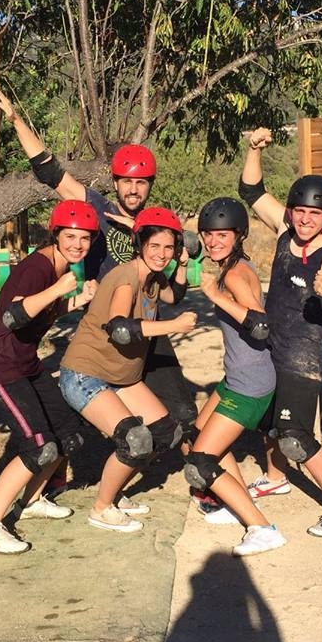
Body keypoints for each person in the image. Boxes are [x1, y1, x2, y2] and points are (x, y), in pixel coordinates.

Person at [0, 84, 198, 448]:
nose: (133, 189)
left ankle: (199, 473)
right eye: (127, 181)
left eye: (141, 183)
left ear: (150, 186)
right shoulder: (98, 208)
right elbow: (50, 172)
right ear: (115, 182)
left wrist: (141, 229)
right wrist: (17, 121)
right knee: (107, 423)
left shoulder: (154, 224)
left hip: (146, 324)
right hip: (107, 329)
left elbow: (189, 249)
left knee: (182, 414)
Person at [238, 127, 322, 538]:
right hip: (271, 344)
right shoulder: (284, 231)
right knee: (267, 420)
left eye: (314, 214)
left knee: (294, 434)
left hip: (304, 355)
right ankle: (276, 477)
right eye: (299, 211)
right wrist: (253, 150)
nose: (305, 219)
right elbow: (251, 190)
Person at [0, 200, 100, 553]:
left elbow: (43, 313)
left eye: (84, 238)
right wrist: (59, 290)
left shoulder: (59, 268)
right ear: (55, 235)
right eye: (70, 236)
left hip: (26, 364)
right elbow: (13, 316)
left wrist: (77, 300)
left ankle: (31, 501)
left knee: (68, 434)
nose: (77, 244)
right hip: (1, 367)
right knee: (39, 446)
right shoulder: (37, 268)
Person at [58, 207, 197, 533]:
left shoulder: (153, 278)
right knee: (135, 439)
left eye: (169, 247)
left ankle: (115, 493)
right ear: (139, 245)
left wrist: (182, 264)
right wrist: (173, 326)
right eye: (155, 246)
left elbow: (175, 295)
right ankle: (101, 508)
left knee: (166, 433)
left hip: (120, 377)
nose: (162, 254)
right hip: (86, 374)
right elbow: (120, 328)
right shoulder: (126, 279)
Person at [187, 197, 286, 556]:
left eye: (222, 235)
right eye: (208, 234)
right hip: (237, 377)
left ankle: (262, 529)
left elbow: (260, 325)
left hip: (250, 383)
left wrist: (215, 295)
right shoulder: (234, 265)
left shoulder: (234, 274)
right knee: (199, 433)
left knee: (200, 462)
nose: (213, 241)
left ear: (239, 235)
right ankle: (235, 501)